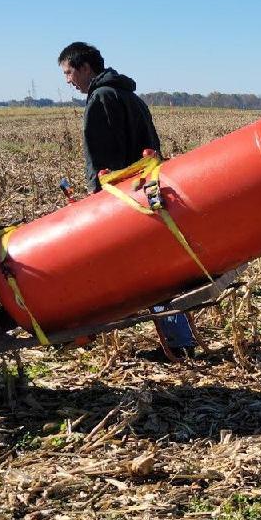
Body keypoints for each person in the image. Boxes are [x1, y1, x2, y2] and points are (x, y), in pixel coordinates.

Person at [58, 42, 197, 358]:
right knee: (161, 272)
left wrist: (98, 201)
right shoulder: (130, 96)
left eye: (68, 72)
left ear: (84, 68)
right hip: (147, 191)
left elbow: (102, 160)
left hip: (125, 200)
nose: (68, 81)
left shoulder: (101, 99)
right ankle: (180, 341)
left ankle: (178, 345)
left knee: (149, 275)